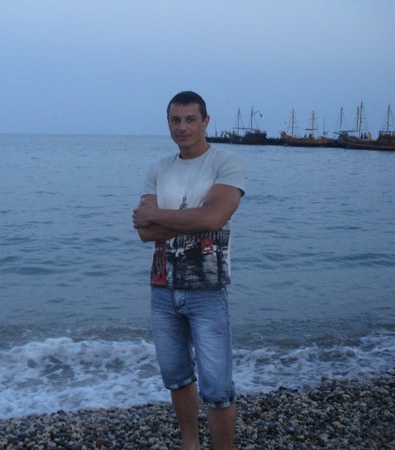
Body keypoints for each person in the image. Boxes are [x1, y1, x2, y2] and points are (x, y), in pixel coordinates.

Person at [132, 91, 245, 450]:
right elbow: (144, 232)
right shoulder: (158, 169)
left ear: (206, 122)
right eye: (175, 120)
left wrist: (159, 216)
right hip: (162, 288)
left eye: (190, 119)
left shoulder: (226, 164)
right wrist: (192, 219)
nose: (182, 127)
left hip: (207, 289)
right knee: (176, 377)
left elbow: (214, 218)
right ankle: (190, 444)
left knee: (217, 387)